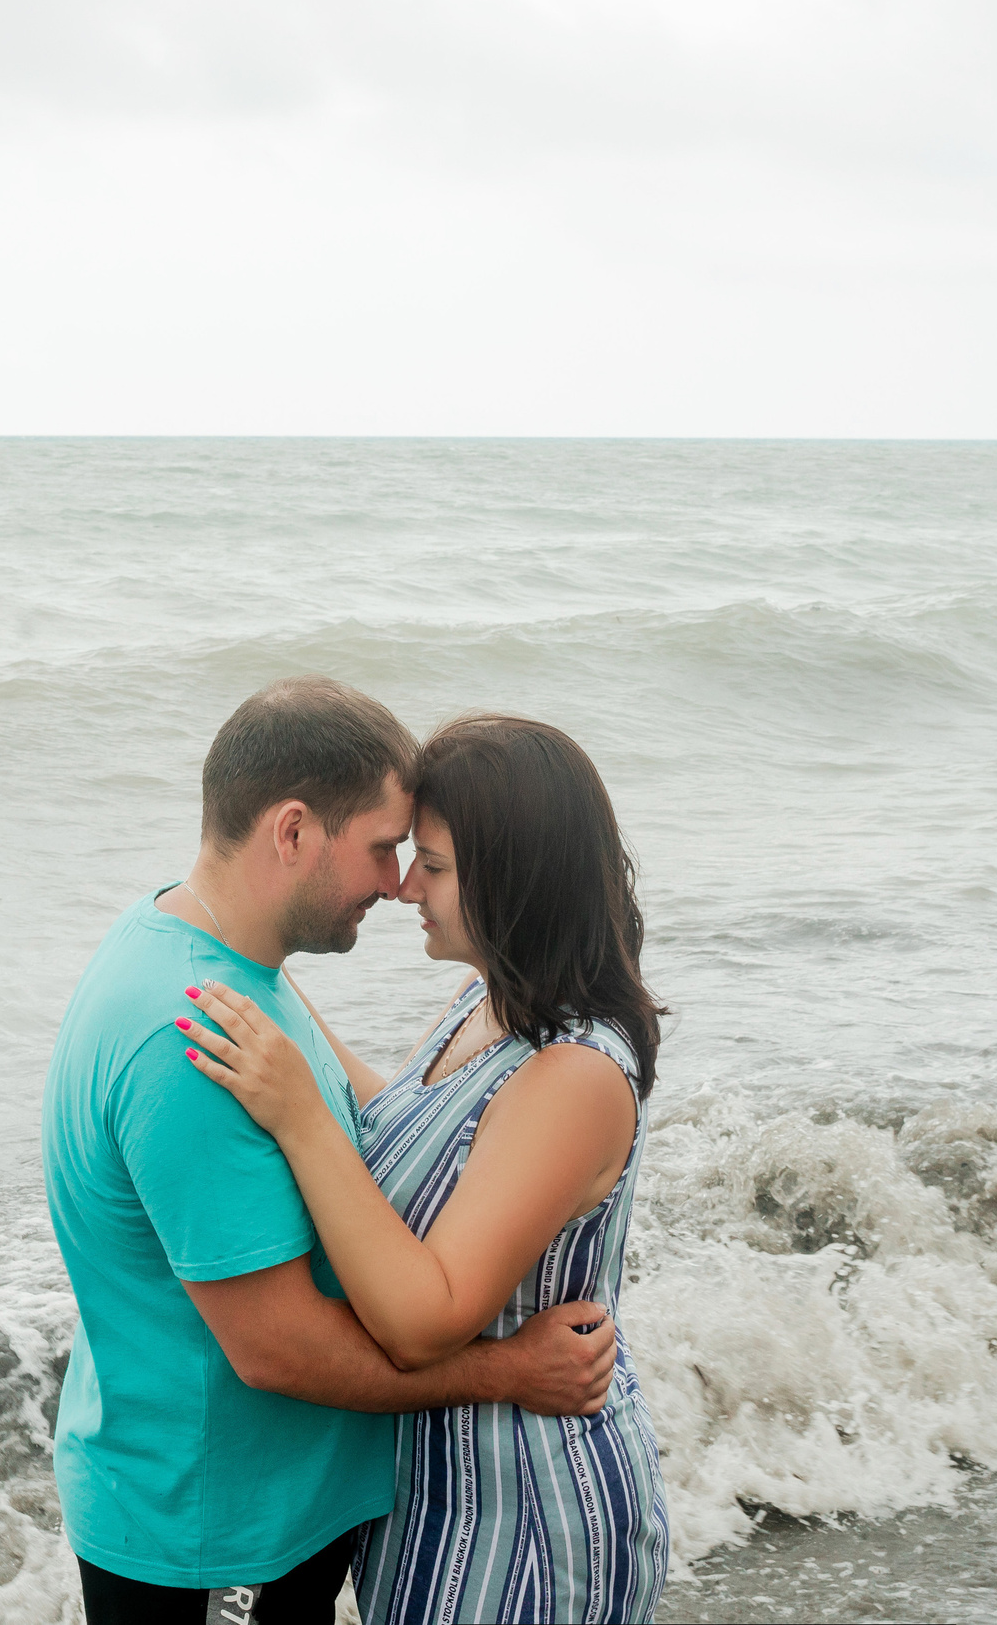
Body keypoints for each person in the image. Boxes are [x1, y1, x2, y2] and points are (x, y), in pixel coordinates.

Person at [42, 679, 622, 1625]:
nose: (396, 882)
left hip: (252, 1512)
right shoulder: (192, 1040)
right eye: (385, 848)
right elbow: (274, 1349)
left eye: (419, 856)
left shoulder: (229, 967)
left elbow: (392, 1114)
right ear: (295, 832)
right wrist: (507, 1369)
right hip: (213, 1538)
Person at [177, 714, 673, 1625]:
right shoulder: (486, 1003)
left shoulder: (573, 1075)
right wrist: (254, 978)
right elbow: (397, 1124)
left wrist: (296, 1112)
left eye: (434, 866)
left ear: (514, 879)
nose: (405, 886)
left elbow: (420, 1320)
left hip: (524, 1513)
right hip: (441, 1492)